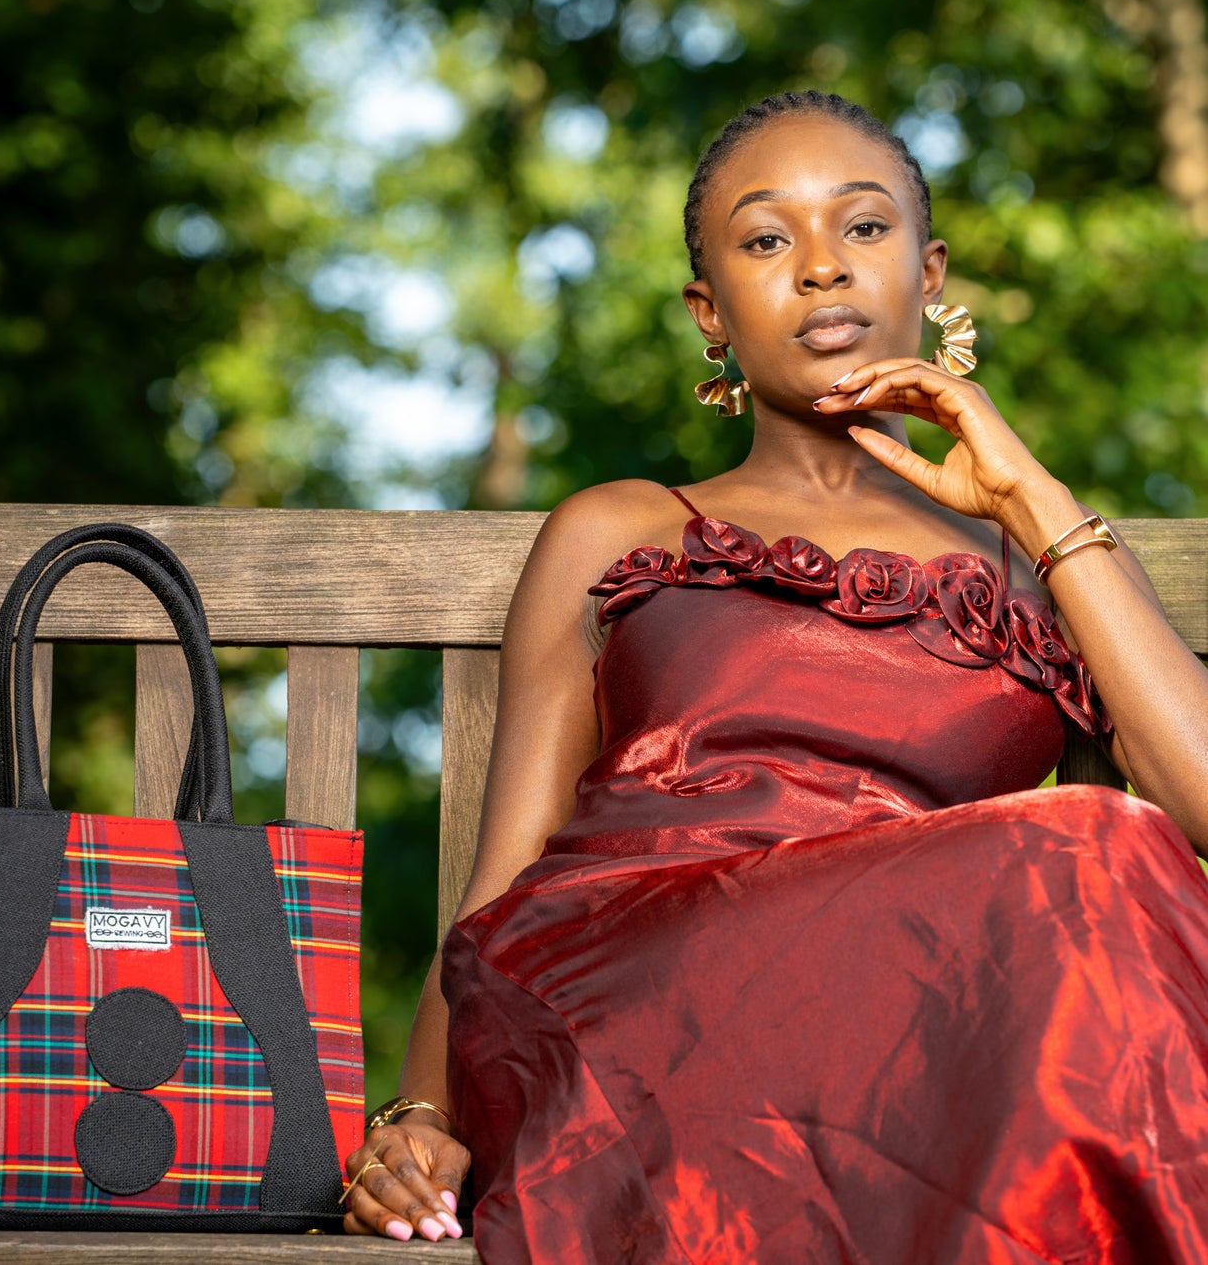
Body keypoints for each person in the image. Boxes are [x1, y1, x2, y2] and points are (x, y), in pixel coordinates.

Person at [340, 89, 1208, 1261]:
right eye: (765, 240)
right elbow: (496, 893)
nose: (818, 270)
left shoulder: (1043, 558)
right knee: (1084, 854)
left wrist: (1028, 496)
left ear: (929, 268)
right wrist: (423, 1114)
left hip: (912, 1061)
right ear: (710, 310)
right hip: (633, 1009)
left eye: (862, 227)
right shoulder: (625, 525)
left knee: (1096, 862)